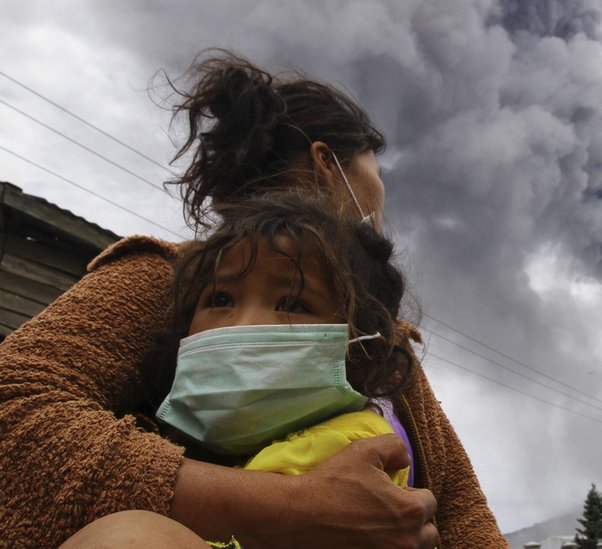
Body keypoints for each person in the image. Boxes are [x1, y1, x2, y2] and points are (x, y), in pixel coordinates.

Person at [0, 50, 506, 548]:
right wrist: (293, 508)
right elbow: (16, 410)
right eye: (377, 173)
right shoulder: (163, 277)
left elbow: (460, 508)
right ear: (326, 163)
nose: (378, 199)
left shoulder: (385, 341)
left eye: (294, 303)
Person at [155, 193, 415, 492]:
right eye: (221, 299)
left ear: (361, 346)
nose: (244, 325)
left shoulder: (351, 447)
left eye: (292, 304)